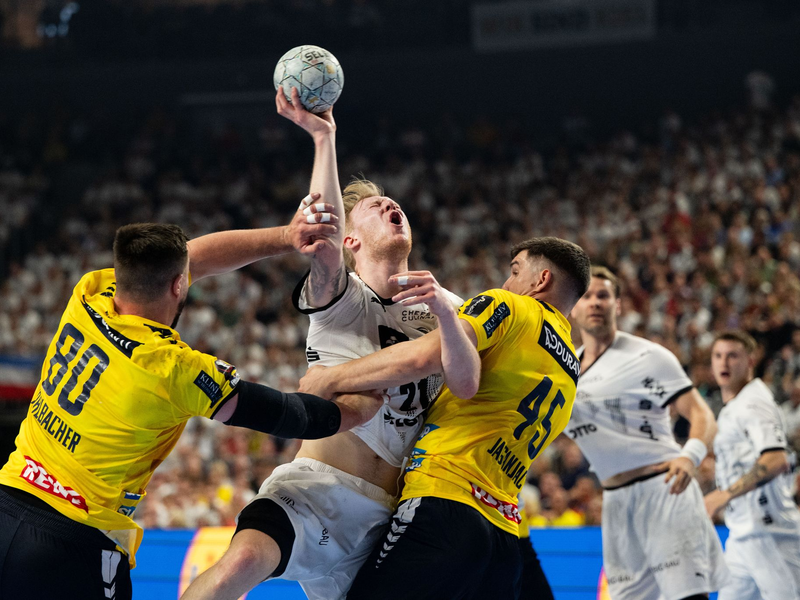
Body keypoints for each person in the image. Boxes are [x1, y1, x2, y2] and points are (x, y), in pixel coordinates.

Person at [182, 88, 479, 600]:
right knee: (245, 559)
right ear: (350, 240)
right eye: (371, 207)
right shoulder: (342, 296)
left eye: (393, 202)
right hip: (320, 487)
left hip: (394, 515)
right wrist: (325, 137)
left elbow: (467, 384)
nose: (391, 204)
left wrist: (449, 320)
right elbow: (319, 236)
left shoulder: (447, 304)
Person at [0, 214, 384, 600]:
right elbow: (286, 416)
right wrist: (359, 408)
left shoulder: (90, 294)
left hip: (9, 497)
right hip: (71, 541)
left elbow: (191, 259)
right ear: (179, 285)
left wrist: (288, 236)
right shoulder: (173, 369)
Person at [300, 237, 591, 599]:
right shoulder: (571, 368)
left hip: (446, 503)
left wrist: (330, 378)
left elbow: (426, 355)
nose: (505, 283)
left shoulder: (511, 307)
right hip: (503, 539)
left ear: (541, 280)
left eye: (515, 272)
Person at [567, 266, 728, 600]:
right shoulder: (564, 369)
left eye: (604, 295)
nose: (595, 302)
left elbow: (701, 413)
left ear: (619, 305)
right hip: (615, 502)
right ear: (573, 306)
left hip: (664, 491)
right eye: (587, 296)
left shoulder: (648, 355)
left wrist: (690, 456)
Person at [704, 330, 800, 600]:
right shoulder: (734, 406)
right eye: (718, 356)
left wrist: (723, 494)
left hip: (772, 535)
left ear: (751, 360)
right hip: (742, 535)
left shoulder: (753, 403)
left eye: (733, 356)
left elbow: (776, 459)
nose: (724, 363)